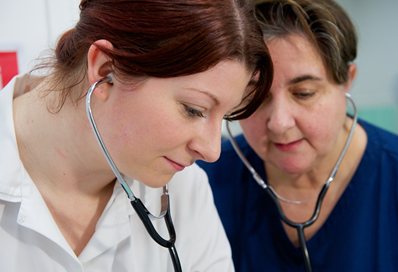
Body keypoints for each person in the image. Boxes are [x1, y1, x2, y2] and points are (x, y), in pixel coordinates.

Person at [0, 0, 273, 271]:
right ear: (106, 70)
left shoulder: (184, 188)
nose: (211, 152)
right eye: (193, 110)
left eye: (223, 117)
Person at [198, 0, 398, 271]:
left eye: (304, 93)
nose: (279, 123)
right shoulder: (202, 183)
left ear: (347, 80)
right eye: (256, 97)